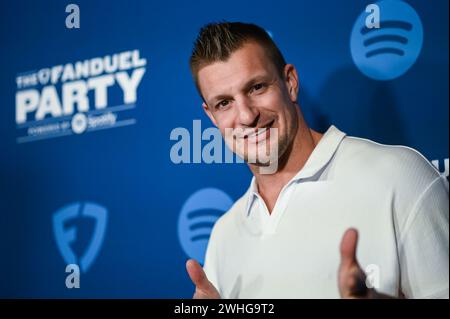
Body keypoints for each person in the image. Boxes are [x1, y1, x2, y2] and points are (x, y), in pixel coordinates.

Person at [185, 22, 449, 299]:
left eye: (257, 87)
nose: (246, 116)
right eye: (224, 103)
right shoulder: (223, 235)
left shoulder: (399, 177)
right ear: (212, 117)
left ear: (290, 82)